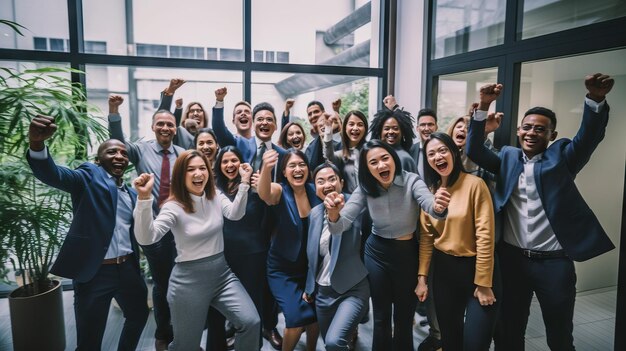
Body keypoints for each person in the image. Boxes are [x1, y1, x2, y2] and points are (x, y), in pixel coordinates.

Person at [465, 74, 616, 350]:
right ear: (518, 132)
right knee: (509, 331)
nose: (532, 132)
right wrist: (484, 105)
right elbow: (473, 149)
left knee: (559, 335)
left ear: (551, 136)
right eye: (527, 127)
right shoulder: (507, 157)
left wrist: (595, 99)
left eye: (540, 129)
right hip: (511, 260)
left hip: (554, 264)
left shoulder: (563, 157)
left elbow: (589, 138)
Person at [26, 115, 149, 351]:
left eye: (123, 153)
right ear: (98, 159)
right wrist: (37, 144)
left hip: (128, 270)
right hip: (95, 273)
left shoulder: (133, 193)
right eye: (112, 152)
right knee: (89, 339)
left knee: (138, 315)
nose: (120, 156)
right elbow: (54, 174)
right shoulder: (88, 176)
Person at [325, 140, 450, 351]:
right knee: (381, 318)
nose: (381, 165)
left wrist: (438, 206)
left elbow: (431, 205)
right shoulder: (365, 188)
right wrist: (334, 213)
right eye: (373, 162)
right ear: (367, 168)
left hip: (407, 254)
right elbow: (339, 226)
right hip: (377, 254)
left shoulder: (412, 180)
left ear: (394, 159)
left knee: (403, 318)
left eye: (385, 158)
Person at [133, 150, 260, 351]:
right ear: (181, 175)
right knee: (187, 346)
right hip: (188, 282)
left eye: (202, 168)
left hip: (222, 274)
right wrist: (144, 199)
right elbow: (147, 238)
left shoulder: (216, 195)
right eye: (190, 169)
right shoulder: (173, 207)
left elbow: (235, 214)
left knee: (251, 322)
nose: (198, 173)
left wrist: (244, 183)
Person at [108, 95, 182, 350]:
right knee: (162, 284)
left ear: (175, 129)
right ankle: (163, 333)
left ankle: (184, 334)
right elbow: (118, 145)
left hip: (181, 228)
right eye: (160, 123)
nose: (165, 128)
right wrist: (114, 112)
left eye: (170, 124)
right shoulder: (141, 150)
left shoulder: (182, 154)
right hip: (153, 229)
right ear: (153, 127)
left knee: (182, 281)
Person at [415, 132, 499, 351]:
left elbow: (485, 236)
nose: (438, 157)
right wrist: (422, 278)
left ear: (453, 152)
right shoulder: (430, 193)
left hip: (477, 270)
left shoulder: (475, 184)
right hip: (445, 272)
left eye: (443, 150)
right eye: (431, 154)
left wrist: (483, 283)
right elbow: (426, 238)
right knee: (450, 341)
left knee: (475, 343)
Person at [206, 146, 273, 351]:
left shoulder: (254, 184)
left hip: (253, 254)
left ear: (242, 163)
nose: (229, 165)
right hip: (222, 255)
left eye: (233, 160)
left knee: (252, 304)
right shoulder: (213, 188)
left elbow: (268, 214)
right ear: (219, 165)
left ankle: (253, 345)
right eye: (225, 161)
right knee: (216, 306)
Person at [258, 149, 320, 351]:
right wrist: (266, 168)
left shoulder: (314, 191)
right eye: (292, 166)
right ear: (284, 172)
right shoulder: (279, 191)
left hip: (310, 269)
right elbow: (264, 193)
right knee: (295, 319)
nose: (298, 169)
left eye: (302, 164)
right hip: (282, 270)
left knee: (314, 316)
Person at [304, 163, 369, 351]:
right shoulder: (314, 214)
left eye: (332, 179)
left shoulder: (356, 207)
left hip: (353, 288)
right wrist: (310, 287)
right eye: (320, 181)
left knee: (334, 341)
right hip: (323, 293)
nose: (327, 184)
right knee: (330, 343)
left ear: (341, 182)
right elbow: (312, 255)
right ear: (315, 189)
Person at [322, 110, 368, 194]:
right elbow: (329, 156)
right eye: (351, 124)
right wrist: (328, 129)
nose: (355, 128)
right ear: (345, 127)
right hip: (349, 200)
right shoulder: (341, 155)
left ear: (365, 129)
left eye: (360, 125)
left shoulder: (371, 151)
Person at [369, 109, 417, 173]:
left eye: (395, 128)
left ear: (402, 132)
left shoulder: (404, 158)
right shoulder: (374, 154)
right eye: (386, 129)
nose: (391, 132)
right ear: (380, 132)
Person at [157, 78, 196, 149]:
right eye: (192, 111)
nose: (196, 114)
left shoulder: (209, 134)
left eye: (199, 110)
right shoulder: (179, 133)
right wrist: (170, 92)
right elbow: (163, 118)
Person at [305, 100, 342, 170]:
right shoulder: (310, 147)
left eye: (316, 112)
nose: (313, 116)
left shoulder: (337, 135)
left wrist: (336, 111)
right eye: (309, 114)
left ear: (324, 112)